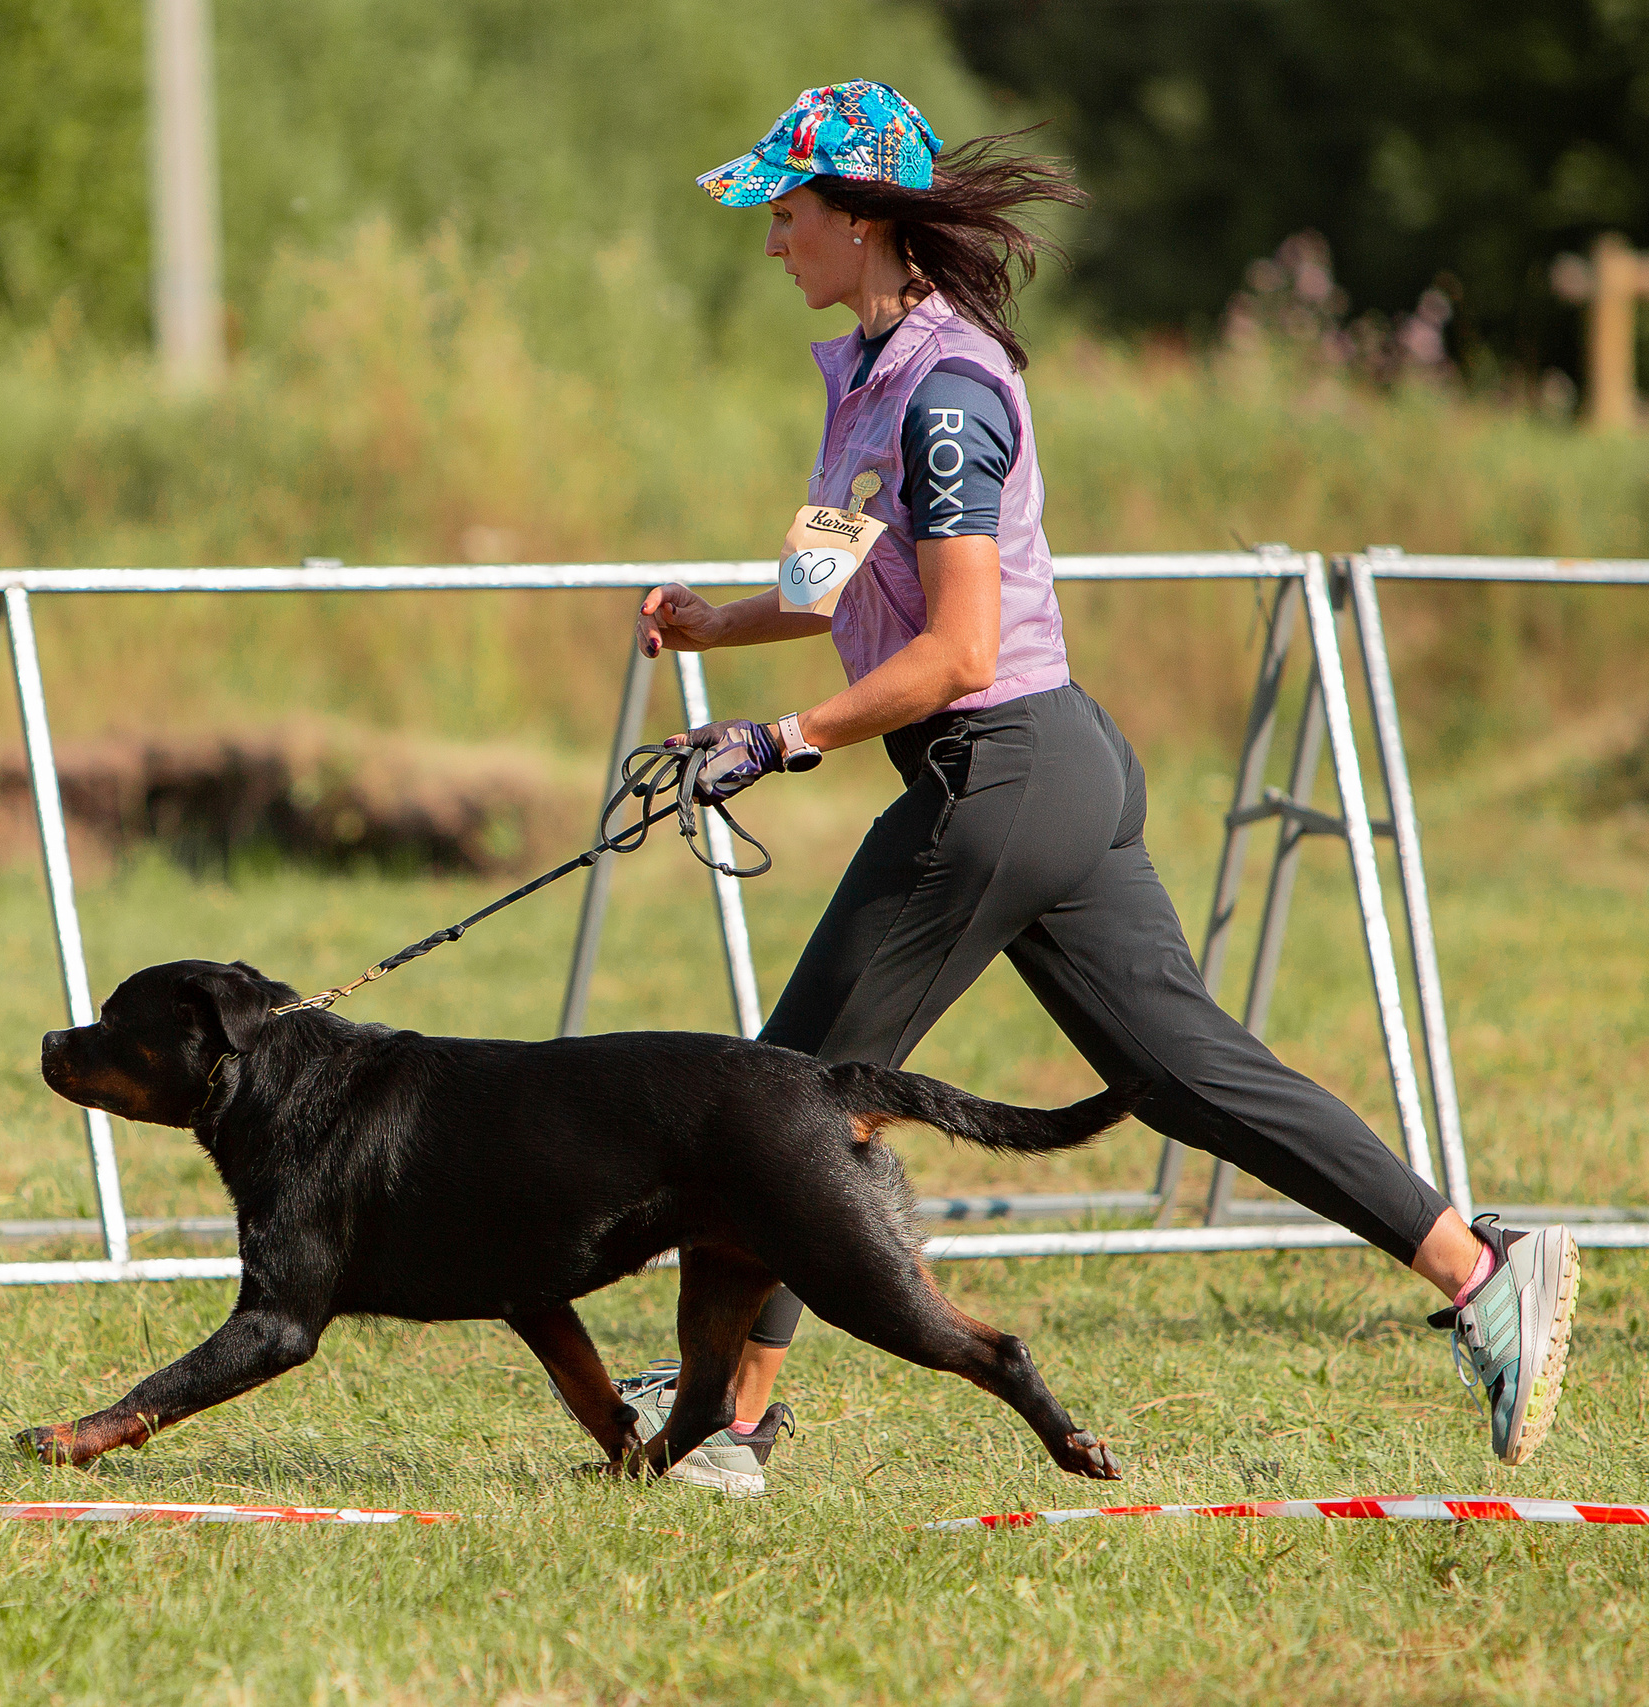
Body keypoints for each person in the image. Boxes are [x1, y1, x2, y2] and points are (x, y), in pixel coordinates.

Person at [602, 82, 1578, 1497]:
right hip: (1047, 772)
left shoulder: (945, 397)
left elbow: (960, 651)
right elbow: (829, 586)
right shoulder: (871, 372)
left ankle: (732, 1425)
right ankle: (1481, 1269)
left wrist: (783, 738)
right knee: (1182, 1071)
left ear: (863, 219)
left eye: (788, 210)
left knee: (786, 1100)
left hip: (1002, 773)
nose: (770, 239)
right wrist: (711, 623)